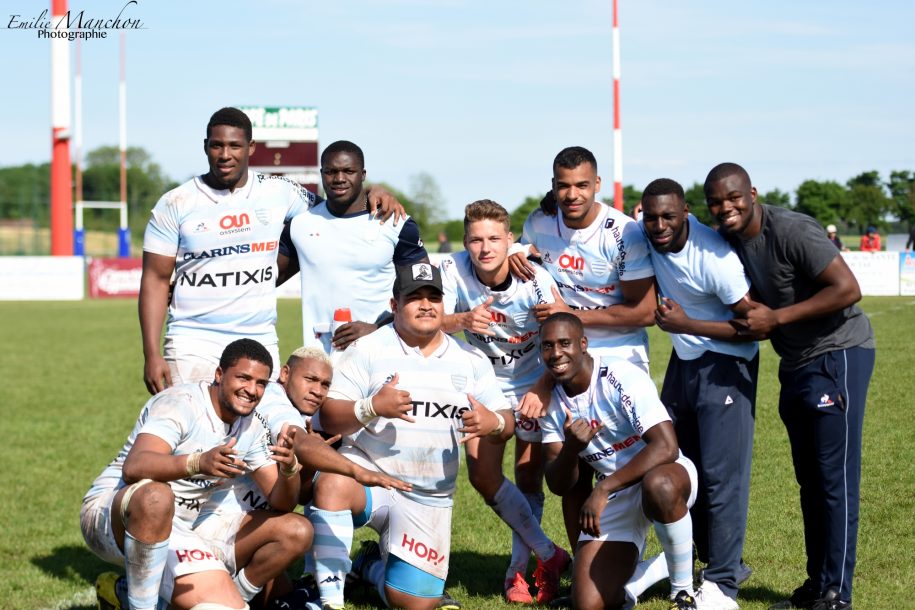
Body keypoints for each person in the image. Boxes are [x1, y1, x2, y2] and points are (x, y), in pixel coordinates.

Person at [705, 163, 875, 610]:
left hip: (838, 352)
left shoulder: (793, 230)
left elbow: (848, 288)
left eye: (734, 197)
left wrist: (776, 318)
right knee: (809, 481)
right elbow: (673, 234)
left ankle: (838, 594)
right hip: (795, 362)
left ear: (753, 193)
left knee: (834, 479)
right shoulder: (728, 238)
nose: (726, 208)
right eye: (716, 202)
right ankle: (817, 584)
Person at [139, 110, 403, 394]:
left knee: (264, 434)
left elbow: (336, 209)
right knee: (196, 426)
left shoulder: (280, 191)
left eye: (235, 146)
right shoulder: (175, 203)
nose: (225, 154)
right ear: (206, 147)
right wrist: (152, 354)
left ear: (251, 148)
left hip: (260, 337)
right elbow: (154, 279)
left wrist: (374, 190)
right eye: (217, 145)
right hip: (192, 340)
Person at [308, 263, 515, 610]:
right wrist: (372, 406)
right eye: (414, 297)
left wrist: (491, 422)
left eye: (433, 297)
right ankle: (329, 601)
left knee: (415, 604)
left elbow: (507, 422)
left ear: (443, 304)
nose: (425, 305)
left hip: (428, 498)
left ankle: (370, 566)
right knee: (332, 482)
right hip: (369, 479)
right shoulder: (367, 348)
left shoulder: (470, 360)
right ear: (394, 305)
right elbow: (328, 416)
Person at [508, 145, 657, 559]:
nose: (572, 195)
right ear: (553, 186)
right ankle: (582, 562)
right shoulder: (538, 223)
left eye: (580, 186)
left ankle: (659, 556)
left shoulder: (622, 232)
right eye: (563, 186)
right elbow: (527, 265)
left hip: (620, 360)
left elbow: (643, 312)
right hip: (562, 357)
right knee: (573, 470)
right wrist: (517, 253)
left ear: (596, 186)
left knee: (634, 467)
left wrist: (571, 312)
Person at [84, 339, 309, 610]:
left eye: (261, 383)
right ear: (219, 375)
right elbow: (135, 467)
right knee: (157, 497)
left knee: (296, 529)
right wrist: (197, 463)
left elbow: (281, 503)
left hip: (183, 525)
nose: (251, 390)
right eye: (244, 378)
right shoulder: (181, 403)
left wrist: (289, 470)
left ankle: (140, 595)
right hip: (111, 513)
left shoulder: (251, 426)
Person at [439, 200, 570, 604]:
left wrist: (545, 387)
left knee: (529, 478)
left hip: (533, 381)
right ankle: (550, 554)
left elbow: (561, 336)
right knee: (482, 476)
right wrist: (460, 320)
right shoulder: (452, 270)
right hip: (483, 385)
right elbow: (426, 321)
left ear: (510, 240)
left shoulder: (533, 278)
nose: (485, 248)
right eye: (476, 239)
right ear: (464, 242)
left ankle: (520, 573)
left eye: (495, 238)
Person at [641, 178, 759, 610]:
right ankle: (702, 563)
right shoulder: (645, 233)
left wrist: (687, 324)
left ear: (685, 212)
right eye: (651, 217)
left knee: (720, 476)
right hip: (684, 362)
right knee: (680, 466)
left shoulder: (716, 258)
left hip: (727, 363)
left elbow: (753, 325)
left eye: (668, 216)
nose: (659, 225)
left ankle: (724, 582)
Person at [539, 313, 699, 610]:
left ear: (583, 343)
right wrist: (571, 448)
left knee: (659, 485)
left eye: (564, 343)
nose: (556, 353)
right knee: (587, 604)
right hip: (617, 495)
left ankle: (683, 592)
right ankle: (663, 564)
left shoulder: (619, 374)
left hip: (665, 474)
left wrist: (603, 489)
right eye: (547, 346)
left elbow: (667, 446)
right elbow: (558, 485)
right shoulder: (551, 402)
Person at [279, 140, 428, 356]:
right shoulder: (300, 225)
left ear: (363, 174)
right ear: (322, 174)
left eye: (349, 171)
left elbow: (422, 291)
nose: (339, 179)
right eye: (331, 171)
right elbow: (265, 279)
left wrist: (378, 328)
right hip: (321, 361)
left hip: (383, 355)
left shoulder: (395, 222)